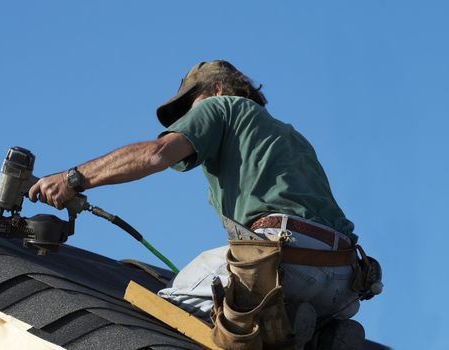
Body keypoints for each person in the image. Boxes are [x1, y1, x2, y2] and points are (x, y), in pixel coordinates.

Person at [28, 60, 367, 350]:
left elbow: (154, 154)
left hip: (281, 259)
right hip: (343, 281)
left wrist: (72, 179)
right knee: (268, 330)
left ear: (217, 88)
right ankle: (310, 332)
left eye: (192, 105)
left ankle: (267, 315)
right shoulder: (292, 138)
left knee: (166, 308)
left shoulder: (222, 106)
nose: (188, 116)